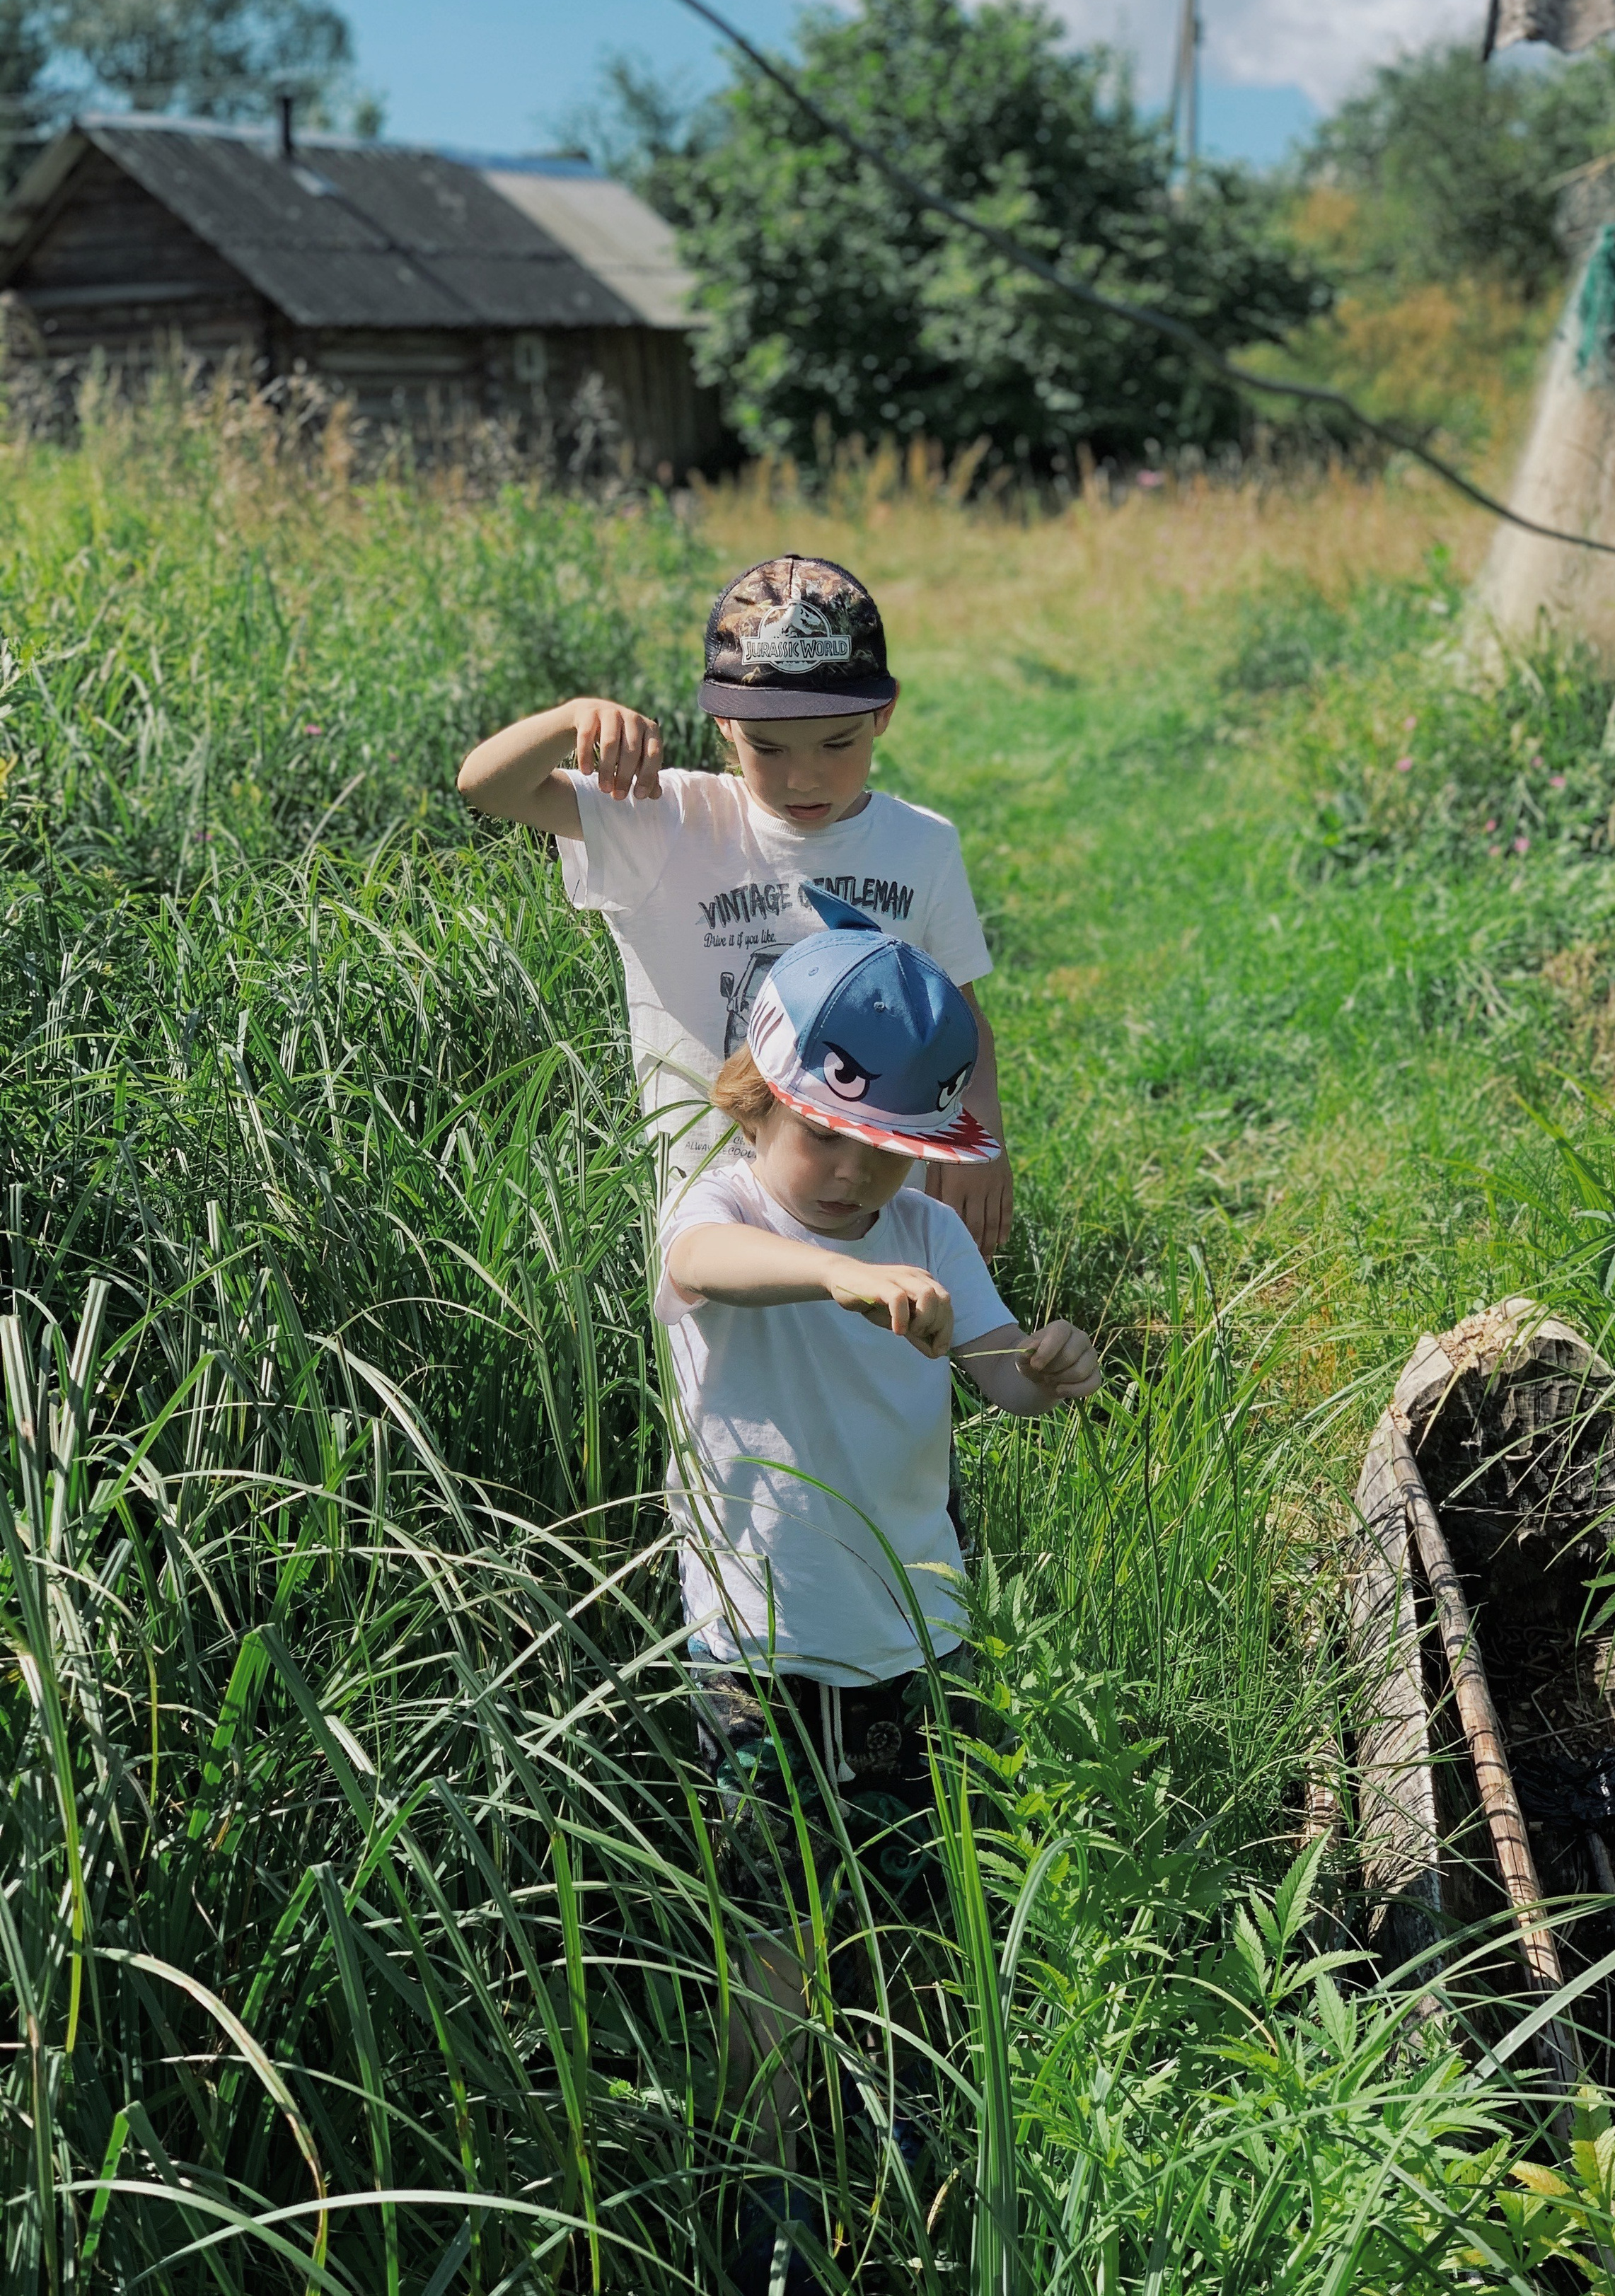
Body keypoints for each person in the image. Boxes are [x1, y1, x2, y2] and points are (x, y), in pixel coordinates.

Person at [655, 889, 1099, 2288]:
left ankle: (915, 2137)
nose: (853, 1172)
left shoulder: (928, 1234)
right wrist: (831, 1279)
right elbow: (701, 1264)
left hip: (916, 1632)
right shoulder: (725, 1207)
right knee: (773, 1925)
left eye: (888, 1146)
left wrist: (1043, 1367)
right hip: (761, 1643)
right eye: (825, 1134)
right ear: (756, 1096)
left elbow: (996, 1375)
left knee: (913, 1901)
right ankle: (771, 2179)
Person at [454, 552, 1013, 1260]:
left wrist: (983, 1132)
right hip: (715, 1215)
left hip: (873, 1205)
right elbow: (487, 787)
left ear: (884, 711)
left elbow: (959, 1014)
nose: (803, 776)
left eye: (836, 743)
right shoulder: (665, 821)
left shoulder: (921, 845)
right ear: (723, 722)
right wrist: (571, 721)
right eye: (768, 747)